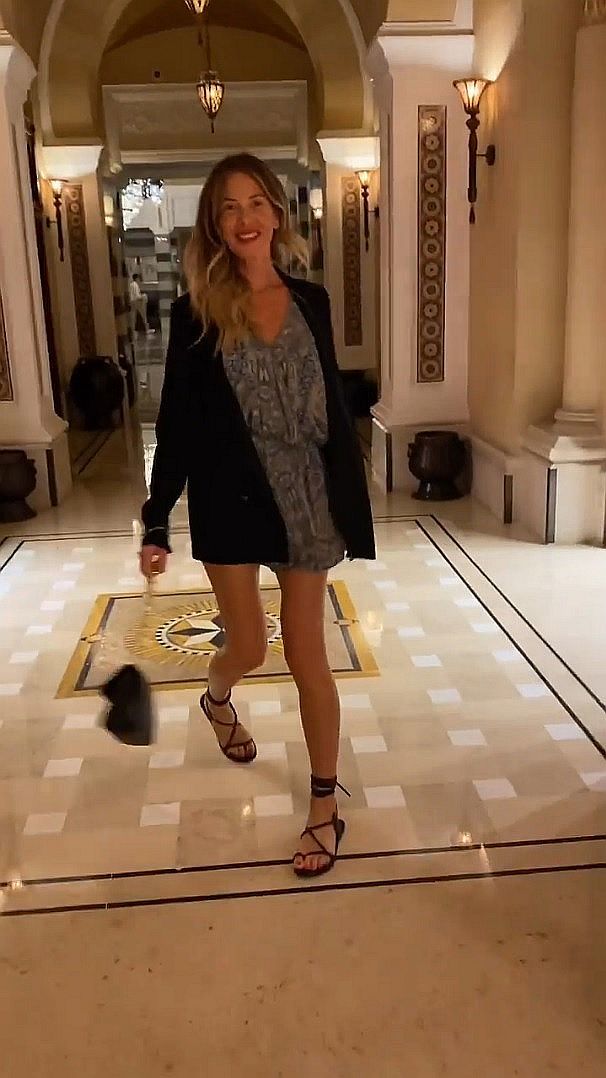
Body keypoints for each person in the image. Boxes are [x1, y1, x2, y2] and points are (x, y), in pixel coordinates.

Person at [139, 154, 375, 878]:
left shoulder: (312, 301)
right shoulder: (197, 314)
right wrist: (157, 519)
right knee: (246, 645)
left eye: (255, 203)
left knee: (307, 653)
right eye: (228, 208)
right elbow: (177, 423)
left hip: (305, 495)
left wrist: (350, 489)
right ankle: (218, 698)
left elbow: (330, 402)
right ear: (215, 225)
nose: (244, 219)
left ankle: (325, 806)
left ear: (276, 212)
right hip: (230, 495)